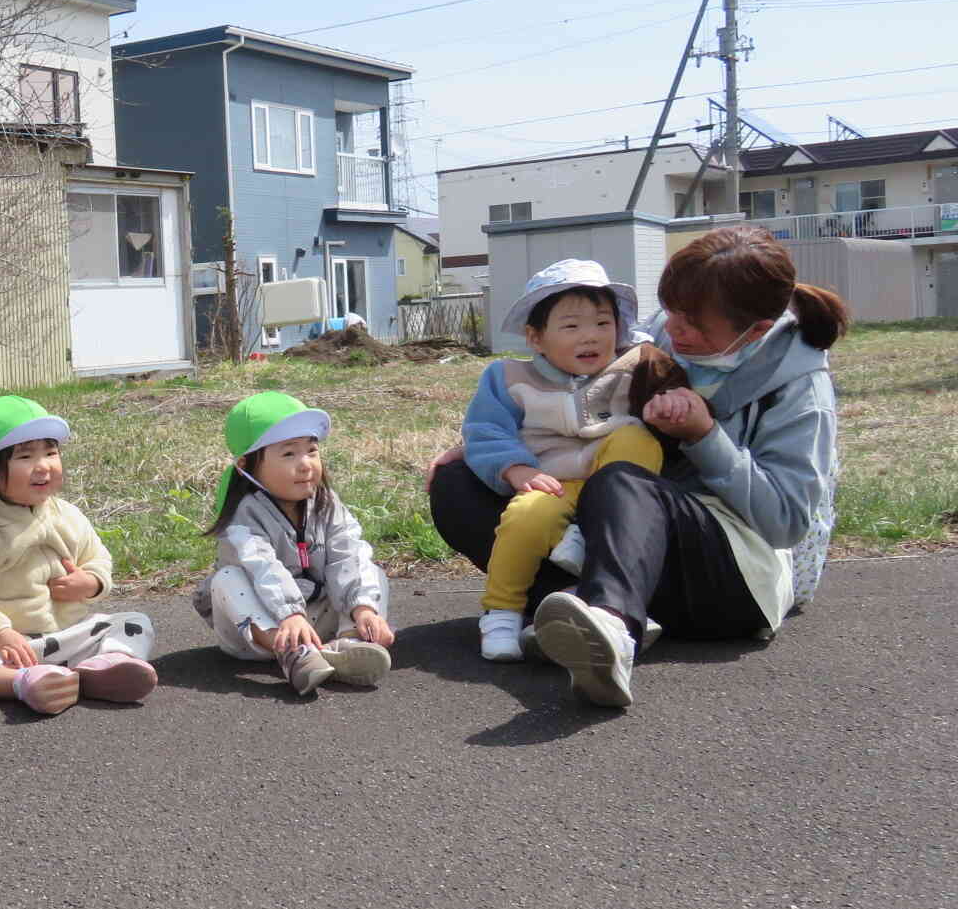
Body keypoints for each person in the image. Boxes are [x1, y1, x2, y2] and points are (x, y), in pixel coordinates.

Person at [428, 225, 847, 708]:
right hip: (630, 535)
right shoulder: (665, 335)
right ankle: (577, 612)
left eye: (694, 324)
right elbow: (586, 401)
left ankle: (611, 629)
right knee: (457, 484)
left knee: (622, 478)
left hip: (732, 578)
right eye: (671, 310)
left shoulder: (800, 390)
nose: (674, 329)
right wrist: (492, 454)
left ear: (754, 330)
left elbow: (786, 523)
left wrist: (705, 437)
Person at [460, 260, 678, 662]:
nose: (590, 336)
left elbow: (674, 391)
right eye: (571, 326)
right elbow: (485, 431)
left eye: (602, 323)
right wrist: (515, 468)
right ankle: (502, 612)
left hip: (615, 490)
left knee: (635, 437)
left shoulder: (635, 364)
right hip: (553, 478)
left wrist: (676, 404)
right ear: (536, 337)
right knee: (524, 519)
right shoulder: (508, 376)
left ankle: (613, 595)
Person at [0, 395, 157, 714]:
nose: (43, 466)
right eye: (25, 456)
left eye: (51, 452)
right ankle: (21, 683)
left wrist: (91, 582)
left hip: (70, 638)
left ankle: (104, 669)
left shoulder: (68, 515)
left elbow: (97, 557)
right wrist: (0, 633)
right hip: (10, 651)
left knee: (134, 622)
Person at [191, 391, 395, 693]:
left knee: (369, 570)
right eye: (289, 454)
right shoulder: (243, 517)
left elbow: (347, 554)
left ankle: (349, 643)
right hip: (259, 629)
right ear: (247, 466)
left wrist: (363, 608)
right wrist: (290, 615)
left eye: (311, 451)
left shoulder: (327, 504)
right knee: (227, 578)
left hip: (314, 622)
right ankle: (292, 653)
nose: (305, 464)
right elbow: (262, 567)